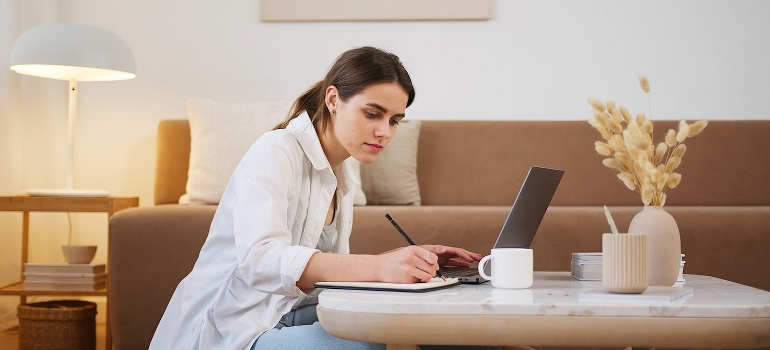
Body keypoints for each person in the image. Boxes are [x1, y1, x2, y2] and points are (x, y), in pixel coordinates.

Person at [150, 46, 522, 350]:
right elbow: (259, 260)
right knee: (362, 343)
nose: (384, 131)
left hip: (291, 312)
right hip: (237, 327)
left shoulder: (340, 173)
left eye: (394, 120)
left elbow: (329, 270)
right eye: (373, 113)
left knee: (444, 320)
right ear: (333, 99)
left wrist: (403, 262)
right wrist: (377, 270)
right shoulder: (276, 150)